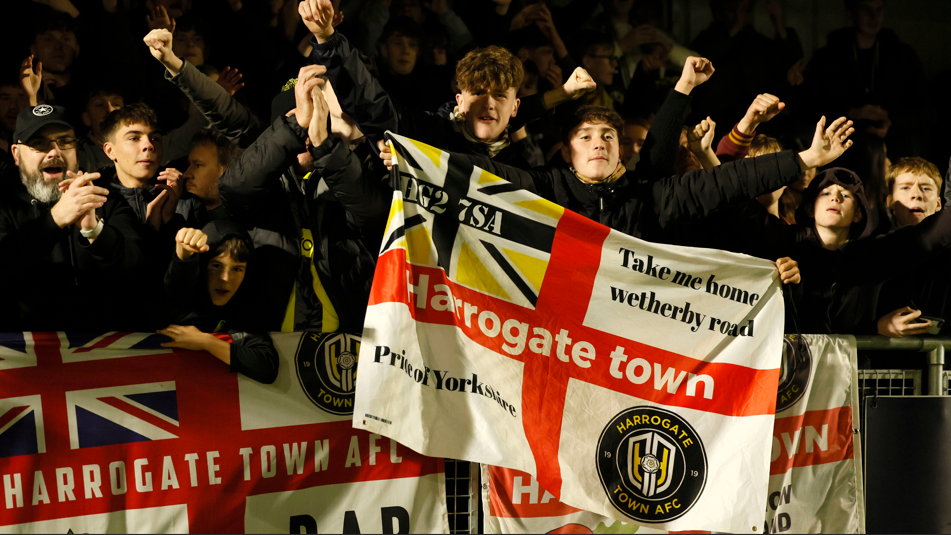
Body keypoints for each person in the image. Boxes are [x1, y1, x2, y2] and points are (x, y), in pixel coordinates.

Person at [301, 0, 597, 169]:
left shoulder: (520, 172)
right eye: (478, 92)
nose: (489, 103)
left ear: (515, 107)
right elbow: (373, 105)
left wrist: (564, 94)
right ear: (459, 100)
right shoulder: (425, 137)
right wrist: (328, 39)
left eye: (499, 96)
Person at [0, 105, 145, 331]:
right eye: (39, 143)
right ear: (16, 155)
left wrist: (94, 230)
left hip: (97, 346)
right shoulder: (3, 199)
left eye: (65, 141)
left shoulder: (104, 194)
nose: (55, 152)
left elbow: (137, 270)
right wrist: (55, 219)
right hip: (24, 349)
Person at [802, 0, 927, 158]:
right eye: (866, 9)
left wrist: (891, 120)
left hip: (892, 156)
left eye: (879, 9)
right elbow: (806, 106)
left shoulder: (902, 56)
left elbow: (926, 111)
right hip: (843, 156)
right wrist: (851, 112)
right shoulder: (828, 58)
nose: (874, 16)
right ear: (850, 12)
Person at [159, 222, 280, 384]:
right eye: (216, 265)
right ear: (203, 265)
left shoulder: (240, 306)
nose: (225, 278)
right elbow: (177, 284)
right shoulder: (183, 295)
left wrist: (205, 341)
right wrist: (184, 254)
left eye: (237, 269)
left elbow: (266, 367)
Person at [875, 158, 950, 337]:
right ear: (890, 201)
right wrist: (878, 327)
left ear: (939, 204)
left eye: (926, 188)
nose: (916, 194)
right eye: (906, 187)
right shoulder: (873, 249)